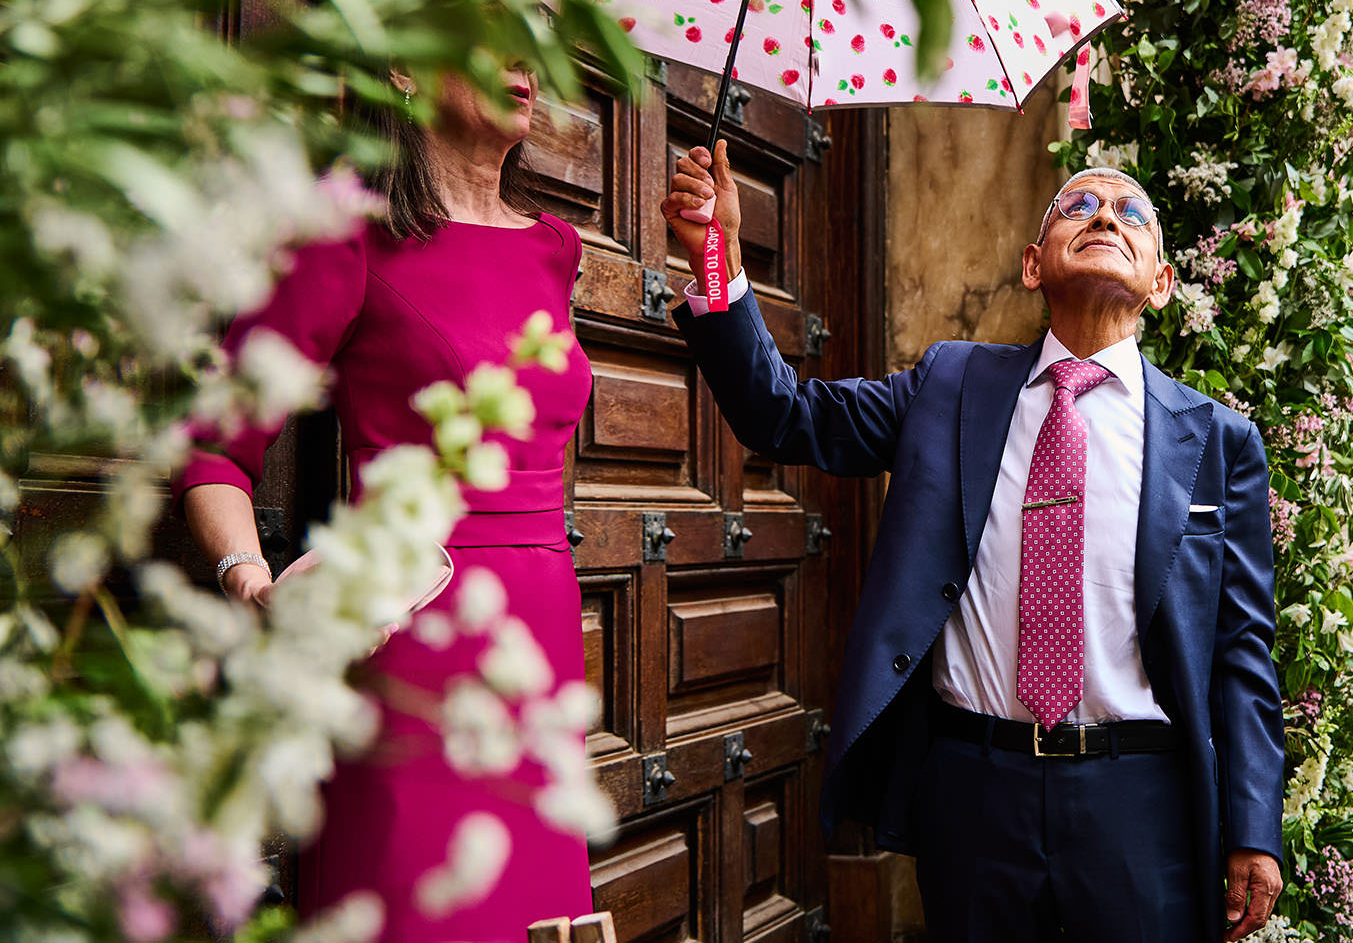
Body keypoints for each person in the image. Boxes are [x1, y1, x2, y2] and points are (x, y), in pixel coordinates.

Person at [662, 146, 1286, 943]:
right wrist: (717, 261)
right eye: (1078, 207)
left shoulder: (1218, 440)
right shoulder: (948, 386)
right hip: (973, 792)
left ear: (1161, 284)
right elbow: (784, 417)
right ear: (1032, 265)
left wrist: (1253, 827)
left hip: (1142, 806)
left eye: (1132, 214)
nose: (1104, 216)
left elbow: (1241, 650)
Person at [174, 68, 595, 941]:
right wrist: (250, 583)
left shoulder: (557, 247)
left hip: (542, 635)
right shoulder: (345, 237)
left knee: (537, 915)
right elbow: (216, 443)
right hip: (412, 635)